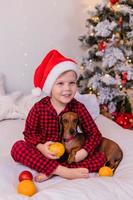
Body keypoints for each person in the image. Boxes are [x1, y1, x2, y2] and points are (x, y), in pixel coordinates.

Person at [11, 49, 106, 182]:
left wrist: (82, 153)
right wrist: (42, 148)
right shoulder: (39, 108)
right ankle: (63, 171)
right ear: (50, 86)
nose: (67, 88)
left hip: (70, 155)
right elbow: (29, 134)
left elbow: (94, 134)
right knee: (18, 148)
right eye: (60, 83)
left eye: (71, 83)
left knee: (101, 157)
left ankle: (51, 170)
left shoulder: (78, 107)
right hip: (45, 154)